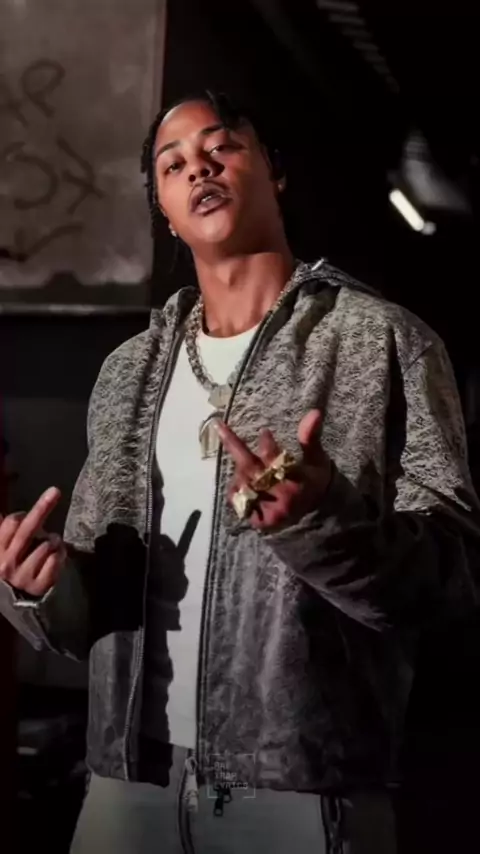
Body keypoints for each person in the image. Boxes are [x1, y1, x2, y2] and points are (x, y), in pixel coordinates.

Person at [0, 90, 479, 854]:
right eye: (173, 165)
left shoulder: (383, 341)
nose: (200, 168)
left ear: (274, 170)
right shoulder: (128, 371)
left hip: (301, 792)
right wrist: (40, 589)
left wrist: (321, 524)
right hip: (129, 787)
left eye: (221, 147)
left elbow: (452, 581)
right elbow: (94, 606)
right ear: (164, 210)